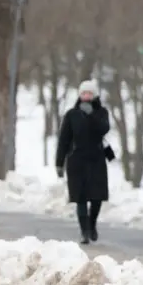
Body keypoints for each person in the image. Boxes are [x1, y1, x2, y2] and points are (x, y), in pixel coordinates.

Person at [55, 80, 111, 244]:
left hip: (96, 160)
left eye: (89, 94)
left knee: (96, 198)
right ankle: (84, 231)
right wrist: (59, 162)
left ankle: (92, 224)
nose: (86, 96)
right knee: (80, 198)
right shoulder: (71, 115)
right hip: (76, 161)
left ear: (95, 96)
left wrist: (91, 115)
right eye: (84, 93)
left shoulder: (101, 113)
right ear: (80, 95)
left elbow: (104, 129)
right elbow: (64, 140)